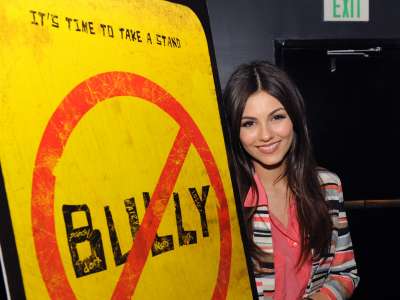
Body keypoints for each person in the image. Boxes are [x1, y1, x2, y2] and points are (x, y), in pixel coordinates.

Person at [223, 61, 359, 300]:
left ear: (294, 118)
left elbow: (345, 273)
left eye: (276, 117)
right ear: (235, 131)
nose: (266, 135)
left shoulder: (327, 186)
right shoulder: (224, 200)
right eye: (249, 123)